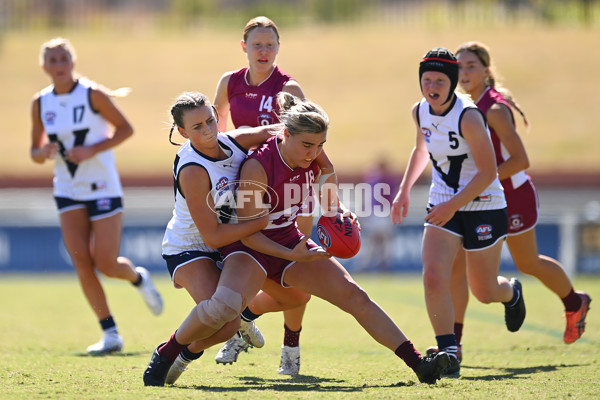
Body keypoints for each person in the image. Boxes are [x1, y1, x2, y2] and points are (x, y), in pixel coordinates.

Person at [143, 92, 450, 387]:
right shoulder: (254, 166)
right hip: (243, 246)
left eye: (320, 145)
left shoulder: (308, 149)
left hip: (286, 239)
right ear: (285, 136)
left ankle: (419, 364)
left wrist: (336, 209)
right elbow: (249, 235)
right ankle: (170, 353)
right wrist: (295, 255)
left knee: (353, 296)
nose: (313, 152)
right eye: (307, 145)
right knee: (224, 315)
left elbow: (326, 169)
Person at [151, 91, 332, 385]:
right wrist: (258, 221)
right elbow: (211, 236)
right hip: (193, 248)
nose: (208, 130)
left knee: (296, 295)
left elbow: (291, 132)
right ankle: (170, 354)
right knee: (224, 325)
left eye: (211, 120)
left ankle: (233, 324)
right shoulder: (193, 170)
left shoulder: (235, 140)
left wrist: (320, 157)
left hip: (230, 244)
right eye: (197, 127)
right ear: (182, 132)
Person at [425, 41, 591, 357]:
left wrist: (478, 183)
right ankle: (454, 344)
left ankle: (574, 301)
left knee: (527, 262)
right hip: (473, 197)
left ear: (487, 70)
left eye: (471, 66)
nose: (464, 72)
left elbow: (520, 160)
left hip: (510, 195)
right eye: (458, 67)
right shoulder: (457, 105)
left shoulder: (495, 109)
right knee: (457, 267)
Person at [390, 48, 526, 378]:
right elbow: (422, 148)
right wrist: (404, 189)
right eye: (426, 80)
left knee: (484, 291)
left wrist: (454, 204)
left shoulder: (469, 116)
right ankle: (449, 351)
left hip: (483, 206)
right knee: (434, 274)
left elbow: (488, 171)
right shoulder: (420, 111)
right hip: (443, 203)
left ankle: (510, 292)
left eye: (439, 80)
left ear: (451, 83)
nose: (432, 87)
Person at [29, 37, 163, 355]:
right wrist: (43, 152)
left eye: (64, 58)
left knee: (105, 262)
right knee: (81, 262)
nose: (59, 65)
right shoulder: (40, 102)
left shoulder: (92, 95)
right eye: (53, 60)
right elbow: (34, 152)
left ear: (72, 62)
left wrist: (92, 148)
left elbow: (125, 129)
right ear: (44, 66)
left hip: (102, 186)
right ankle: (111, 334)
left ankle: (137, 277)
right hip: (67, 188)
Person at [212, 16, 318, 375]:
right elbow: (216, 136)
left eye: (270, 45)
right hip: (246, 194)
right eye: (257, 44)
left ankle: (291, 348)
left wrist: (327, 195)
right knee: (246, 268)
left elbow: (310, 144)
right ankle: (240, 326)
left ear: (278, 48)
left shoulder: (290, 87)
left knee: (296, 270)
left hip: (289, 191)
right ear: (244, 47)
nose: (263, 51)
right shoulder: (229, 83)